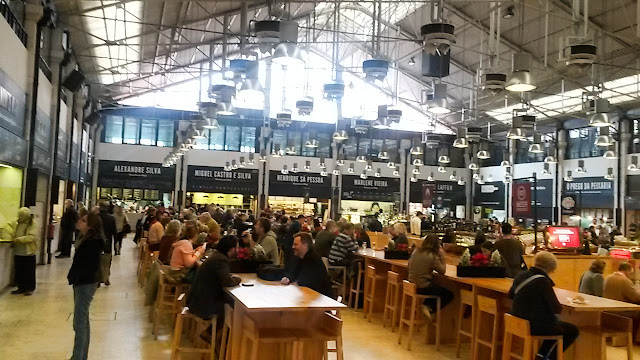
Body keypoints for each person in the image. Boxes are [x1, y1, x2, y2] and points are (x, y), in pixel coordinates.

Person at [509, 252, 579, 360]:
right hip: (533, 325)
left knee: (555, 325)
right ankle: (549, 357)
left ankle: (541, 355)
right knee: (571, 330)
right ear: (550, 268)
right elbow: (556, 308)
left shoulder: (521, 275)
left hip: (517, 321)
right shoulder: (542, 281)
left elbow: (511, 294)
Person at [67, 209, 104, 360]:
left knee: (79, 321)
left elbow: (87, 265)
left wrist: (77, 276)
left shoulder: (92, 243)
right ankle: (81, 356)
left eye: (83, 220)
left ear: (90, 226)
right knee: (82, 319)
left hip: (85, 282)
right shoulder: (86, 240)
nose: (79, 221)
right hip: (82, 281)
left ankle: (78, 356)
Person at [186, 235, 241, 321]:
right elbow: (227, 281)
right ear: (232, 249)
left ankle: (215, 333)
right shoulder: (221, 260)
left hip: (195, 300)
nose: (238, 250)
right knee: (231, 307)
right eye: (237, 247)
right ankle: (211, 333)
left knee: (228, 303)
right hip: (202, 305)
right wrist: (238, 279)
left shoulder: (216, 256)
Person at [408, 233, 453, 317]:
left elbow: (409, 265)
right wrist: (442, 257)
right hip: (422, 286)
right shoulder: (432, 256)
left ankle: (426, 306)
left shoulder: (416, 251)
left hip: (411, 283)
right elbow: (442, 271)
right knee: (448, 294)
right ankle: (430, 309)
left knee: (434, 288)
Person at [281, 232, 334, 298]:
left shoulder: (313, 260)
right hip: (311, 297)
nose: (293, 247)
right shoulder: (301, 258)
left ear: (305, 245)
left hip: (322, 300)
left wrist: (292, 280)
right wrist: (288, 278)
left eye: (295, 244)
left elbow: (305, 282)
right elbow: (293, 273)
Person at [1, 207, 38, 295]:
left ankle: (29, 288)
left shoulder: (33, 224)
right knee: (19, 270)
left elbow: (32, 237)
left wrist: (19, 240)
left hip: (29, 252)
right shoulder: (16, 222)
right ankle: (20, 287)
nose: (19, 217)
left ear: (26, 216)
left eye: (21, 216)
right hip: (18, 251)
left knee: (29, 271)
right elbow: (7, 226)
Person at [97, 202, 117, 286]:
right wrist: (116, 243)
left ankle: (98, 279)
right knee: (107, 262)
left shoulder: (96, 217)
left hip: (97, 243)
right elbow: (114, 232)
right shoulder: (111, 218)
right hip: (108, 243)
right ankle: (106, 278)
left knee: (98, 262)